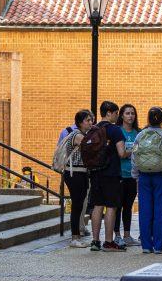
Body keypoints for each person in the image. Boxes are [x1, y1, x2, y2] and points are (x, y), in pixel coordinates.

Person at [132, 107, 162, 254]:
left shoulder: (140, 135)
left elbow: (135, 156)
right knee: (159, 211)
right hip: (161, 174)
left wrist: (136, 176)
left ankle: (146, 245)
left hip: (144, 175)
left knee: (145, 210)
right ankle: (158, 246)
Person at [89, 101, 128, 252]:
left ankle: (95, 241)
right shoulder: (115, 130)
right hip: (111, 173)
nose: (117, 116)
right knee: (111, 207)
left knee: (97, 205)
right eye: (116, 113)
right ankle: (109, 241)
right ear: (109, 113)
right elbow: (121, 153)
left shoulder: (93, 129)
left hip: (95, 172)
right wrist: (132, 152)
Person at [60, 110, 95, 248]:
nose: (90, 122)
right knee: (77, 205)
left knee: (79, 205)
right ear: (80, 122)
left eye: (91, 120)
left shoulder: (83, 134)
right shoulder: (78, 135)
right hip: (75, 174)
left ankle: (77, 235)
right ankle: (75, 237)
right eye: (88, 120)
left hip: (81, 173)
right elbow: (92, 148)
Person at [113, 104, 141, 247]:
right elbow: (120, 153)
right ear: (121, 116)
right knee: (117, 206)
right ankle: (117, 235)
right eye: (127, 113)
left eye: (133, 113)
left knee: (128, 206)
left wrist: (128, 152)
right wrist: (131, 152)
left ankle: (127, 235)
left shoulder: (138, 133)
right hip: (119, 174)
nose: (130, 116)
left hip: (133, 175)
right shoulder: (118, 131)